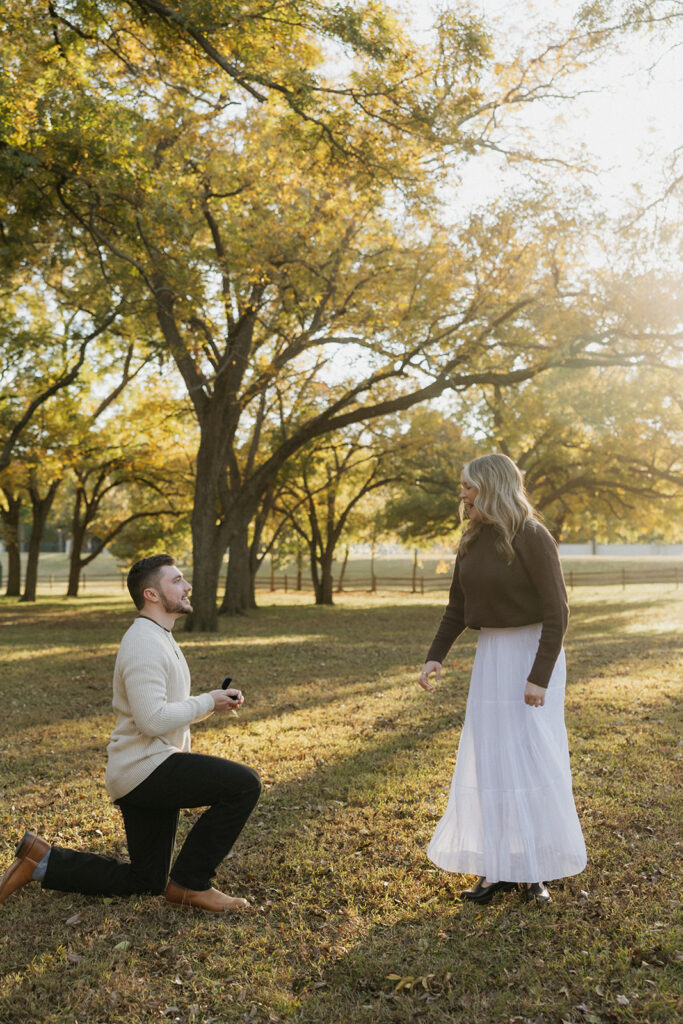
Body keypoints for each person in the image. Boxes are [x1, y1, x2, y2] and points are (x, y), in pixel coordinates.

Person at [0, 554, 261, 914]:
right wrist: (205, 701)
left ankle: (42, 861)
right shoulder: (143, 642)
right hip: (145, 769)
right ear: (151, 594)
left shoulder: (158, 636)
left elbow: (161, 711)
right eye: (177, 580)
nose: (187, 586)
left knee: (146, 880)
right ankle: (190, 884)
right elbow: (151, 721)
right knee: (244, 784)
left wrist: (212, 704)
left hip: (147, 767)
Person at [418, 454, 586, 905]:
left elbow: (558, 613)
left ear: (492, 487)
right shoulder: (471, 541)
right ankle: (496, 868)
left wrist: (539, 677)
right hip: (492, 656)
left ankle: (533, 871)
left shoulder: (532, 536)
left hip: (532, 655)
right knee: (492, 760)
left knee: (530, 758)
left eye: (468, 486)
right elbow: (457, 607)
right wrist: (435, 657)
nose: (462, 495)